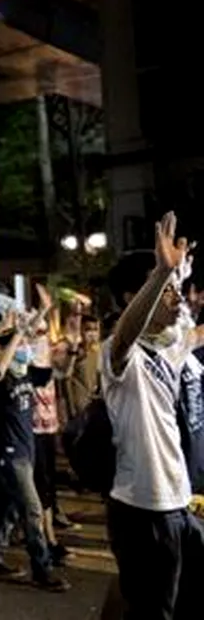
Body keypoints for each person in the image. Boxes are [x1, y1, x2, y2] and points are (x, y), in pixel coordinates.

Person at [101, 215, 204, 620]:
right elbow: (127, 333)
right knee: (151, 610)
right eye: (165, 292)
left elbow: (191, 327)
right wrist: (161, 273)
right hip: (142, 507)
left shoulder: (169, 347)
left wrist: (176, 275)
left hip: (179, 502)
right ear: (133, 297)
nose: (176, 298)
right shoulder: (119, 353)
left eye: (175, 290)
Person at [0, 303, 69, 591]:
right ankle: (42, 569)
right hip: (9, 455)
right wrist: (14, 337)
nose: (25, 349)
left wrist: (41, 317)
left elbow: (50, 364)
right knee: (32, 510)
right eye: (19, 346)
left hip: (26, 452)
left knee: (8, 509)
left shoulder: (26, 374)